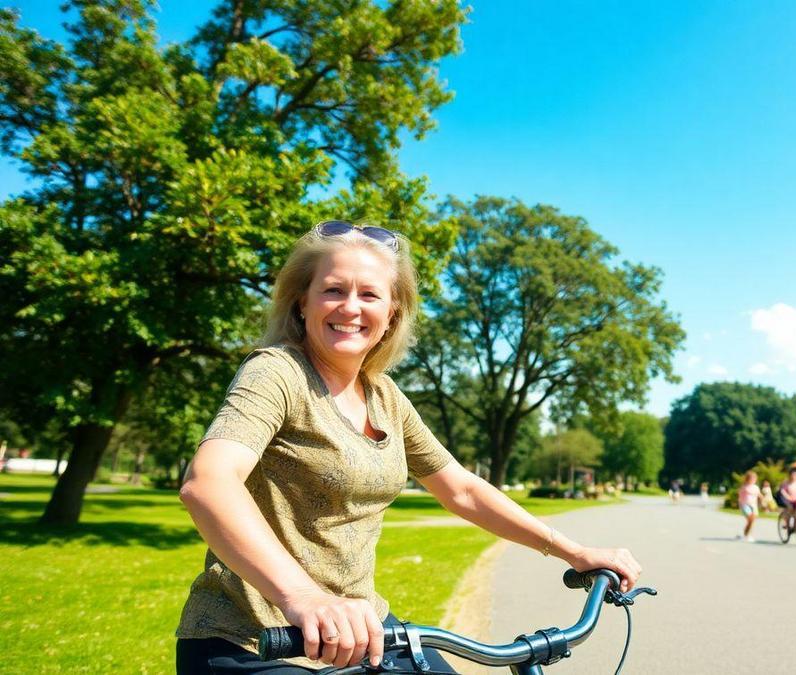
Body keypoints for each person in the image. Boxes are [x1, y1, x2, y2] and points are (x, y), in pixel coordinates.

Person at [174, 221, 642, 674]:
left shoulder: (384, 396)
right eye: (334, 290)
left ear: (392, 312)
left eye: (369, 294)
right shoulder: (277, 373)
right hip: (253, 642)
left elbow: (461, 489)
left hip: (365, 634)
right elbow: (210, 483)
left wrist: (572, 552)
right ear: (302, 302)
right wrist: (306, 598)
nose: (350, 307)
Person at [736, 471, 761, 542]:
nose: (753, 479)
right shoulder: (744, 487)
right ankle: (747, 535)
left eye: (754, 478)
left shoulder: (756, 487)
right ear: (747, 479)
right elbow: (740, 497)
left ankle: (746, 534)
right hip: (745, 505)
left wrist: (764, 501)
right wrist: (740, 505)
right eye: (751, 478)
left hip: (754, 505)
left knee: (751, 521)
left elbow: (759, 495)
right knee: (751, 519)